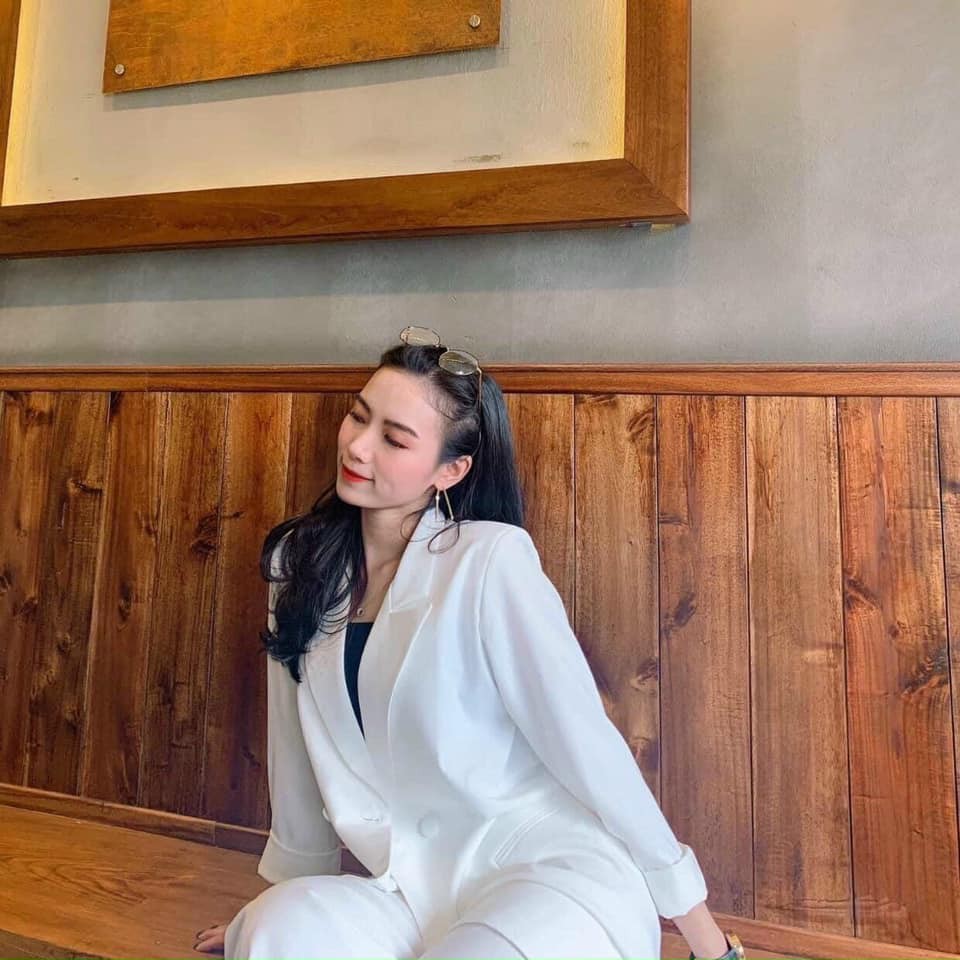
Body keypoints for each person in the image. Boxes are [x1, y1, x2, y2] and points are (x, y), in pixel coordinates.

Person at [193, 327, 744, 960]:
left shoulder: (491, 560)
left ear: (450, 471)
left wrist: (706, 941)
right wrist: (279, 906)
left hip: (543, 876)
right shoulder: (299, 563)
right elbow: (293, 751)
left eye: (394, 438)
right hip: (406, 892)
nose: (358, 446)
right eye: (358, 416)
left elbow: (587, 746)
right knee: (273, 933)